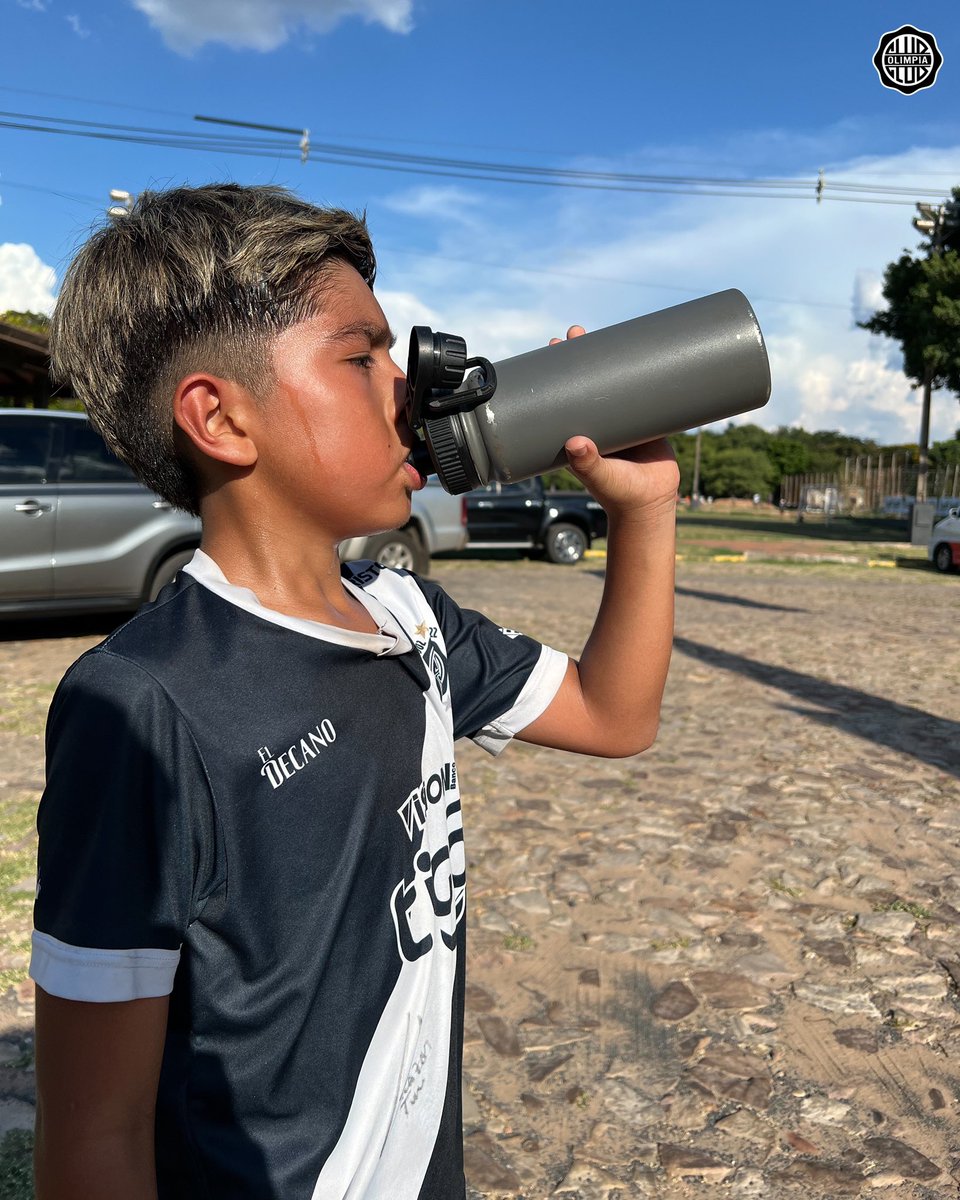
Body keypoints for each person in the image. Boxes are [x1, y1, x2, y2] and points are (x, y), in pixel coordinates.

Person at [30, 183, 679, 1200]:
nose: (408, 392)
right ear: (219, 417)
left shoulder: (406, 615)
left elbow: (615, 714)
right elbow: (93, 1142)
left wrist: (644, 513)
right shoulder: (144, 707)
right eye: (361, 357)